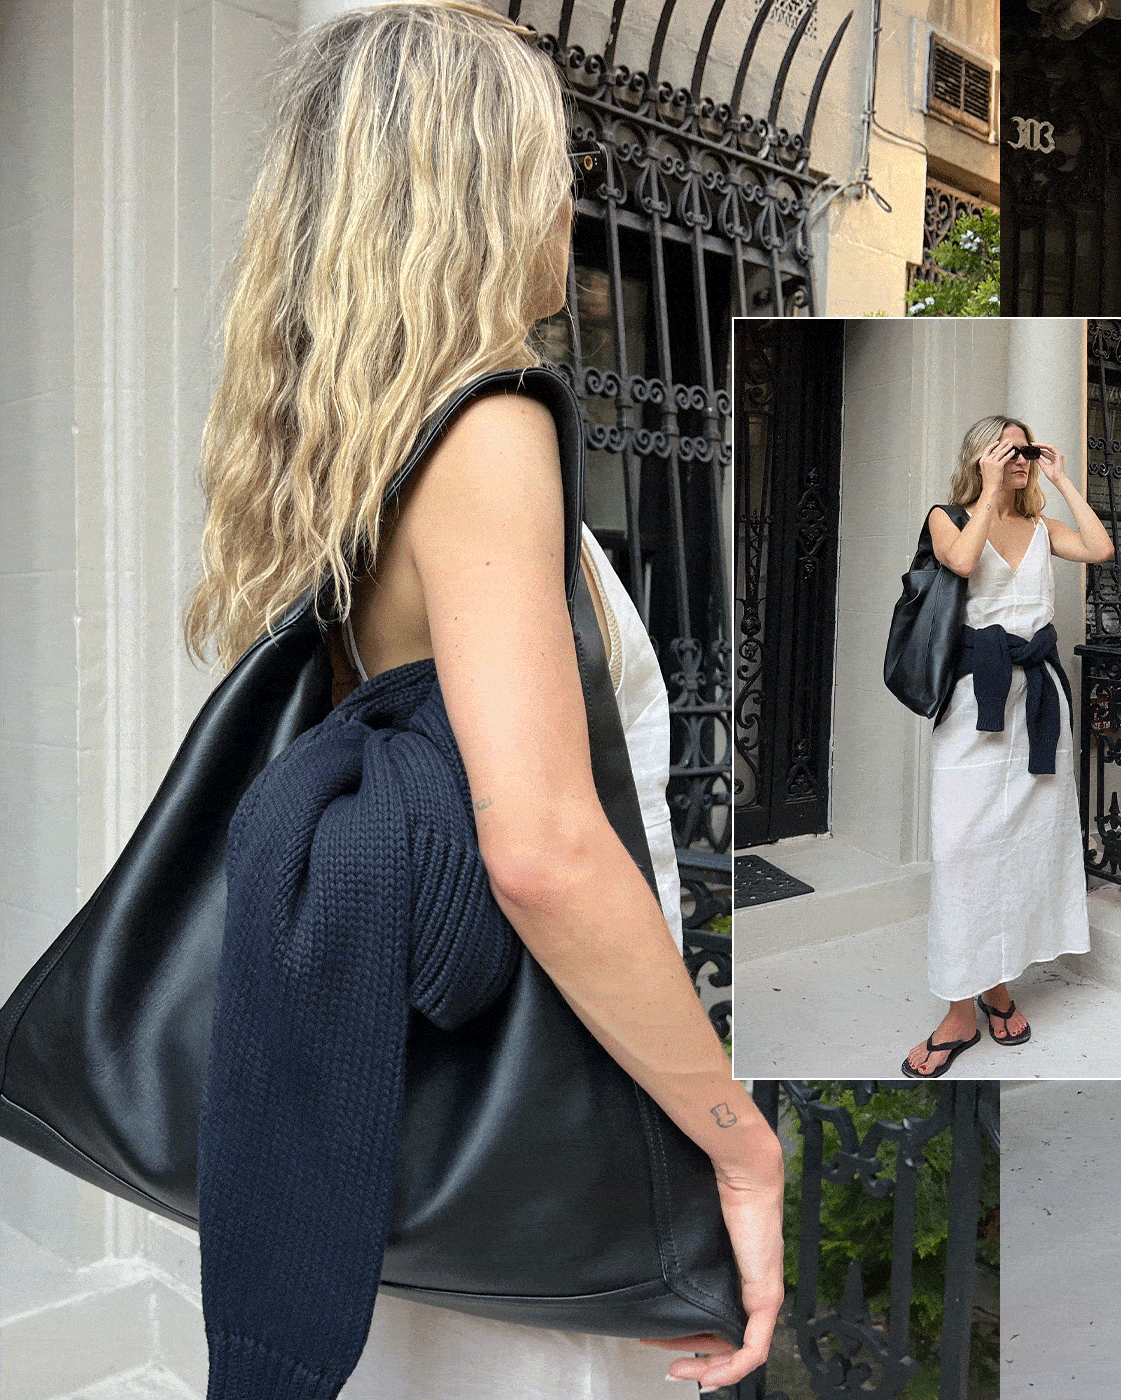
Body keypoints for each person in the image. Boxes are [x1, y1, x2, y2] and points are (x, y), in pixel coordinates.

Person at [182, 2, 779, 1389]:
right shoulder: (490, 428)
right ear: (485, 180)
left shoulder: (337, 444)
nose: (573, 197)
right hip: (537, 1107)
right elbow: (545, 848)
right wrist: (736, 1138)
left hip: (386, 1104)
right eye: (557, 160)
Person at [901, 418, 1116, 1077]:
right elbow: (963, 563)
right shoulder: (947, 518)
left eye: (1026, 450)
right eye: (1008, 450)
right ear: (982, 456)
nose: (1020, 459)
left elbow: (1100, 548)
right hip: (976, 703)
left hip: (1039, 704)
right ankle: (958, 1009)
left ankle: (997, 989)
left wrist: (1062, 479)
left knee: (1022, 848)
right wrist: (991, 492)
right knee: (963, 853)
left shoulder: (1042, 526)